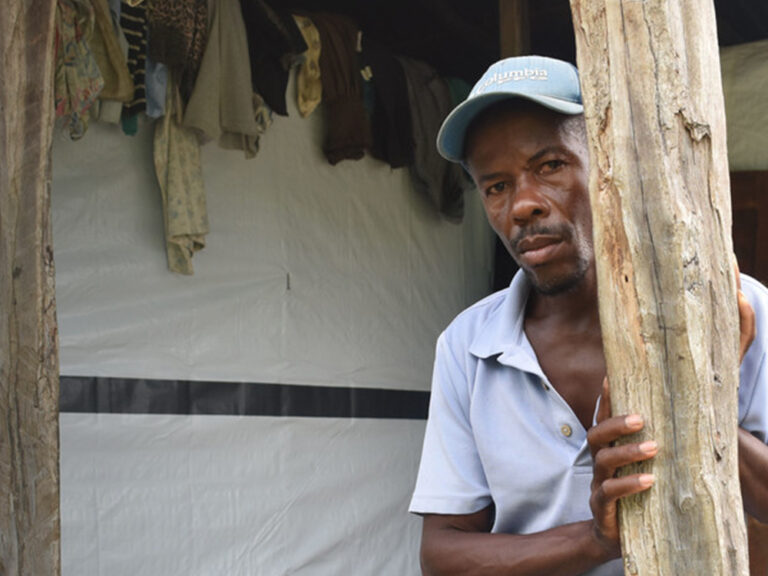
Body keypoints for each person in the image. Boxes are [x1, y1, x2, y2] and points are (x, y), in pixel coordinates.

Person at [408, 55, 768, 575]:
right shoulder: (469, 346)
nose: (523, 205)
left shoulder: (732, 308)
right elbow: (442, 556)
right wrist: (594, 541)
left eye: (550, 165)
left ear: (607, 165)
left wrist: (697, 405)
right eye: (496, 185)